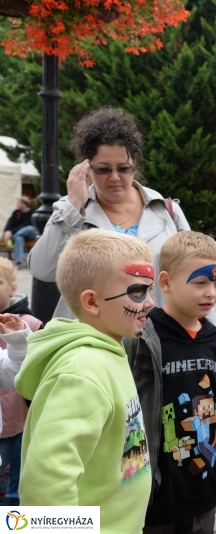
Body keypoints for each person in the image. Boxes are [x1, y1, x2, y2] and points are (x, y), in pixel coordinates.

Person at [16, 229, 154, 532]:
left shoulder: (111, 349)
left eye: (150, 290)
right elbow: (46, 482)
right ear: (92, 302)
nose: (150, 302)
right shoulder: (82, 372)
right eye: (137, 291)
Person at [124, 231, 216, 533]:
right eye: (200, 283)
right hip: (155, 496)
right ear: (166, 282)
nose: (211, 293)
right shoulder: (142, 338)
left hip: (204, 493)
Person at [28, 106, 191, 320]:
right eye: (103, 169)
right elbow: (42, 270)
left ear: (134, 165)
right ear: (87, 168)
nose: (114, 177)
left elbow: (193, 278)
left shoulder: (167, 211)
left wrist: (207, 338)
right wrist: (73, 205)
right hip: (91, 342)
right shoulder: (71, 212)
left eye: (123, 169)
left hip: (156, 339)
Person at [0, 259, 41, 506]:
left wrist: (17, 339)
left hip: (13, 423)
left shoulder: (31, 322)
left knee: (10, 491)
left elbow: (18, 371)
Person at [2, 197, 37, 268]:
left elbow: (25, 224)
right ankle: (18, 262)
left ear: (24, 204)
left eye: (18, 203)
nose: (17, 204)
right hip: (20, 234)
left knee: (29, 228)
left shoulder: (32, 213)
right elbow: (10, 223)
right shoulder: (16, 212)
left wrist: (11, 233)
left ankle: (13, 237)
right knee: (18, 238)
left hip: (30, 233)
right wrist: (7, 231)